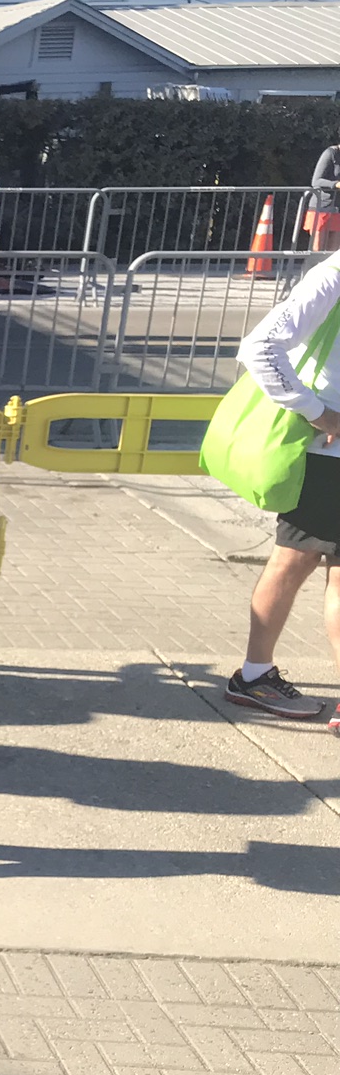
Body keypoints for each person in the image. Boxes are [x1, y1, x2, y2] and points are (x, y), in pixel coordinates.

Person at [220, 252, 340, 729]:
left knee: (304, 565)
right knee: (293, 561)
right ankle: (253, 675)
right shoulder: (333, 276)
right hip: (326, 456)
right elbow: (260, 346)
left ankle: (254, 675)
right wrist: (318, 413)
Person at [311, 138, 340, 254]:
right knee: (317, 252)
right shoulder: (331, 153)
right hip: (322, 208)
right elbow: (316, 181)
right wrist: (336, 184)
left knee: (333, 254)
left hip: (337, 209)